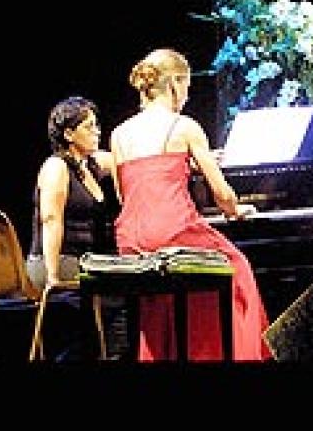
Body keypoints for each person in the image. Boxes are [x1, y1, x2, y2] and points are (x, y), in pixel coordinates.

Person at [109, 47, 271, 361]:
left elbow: (123, 194)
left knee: (171, 287)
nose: (187, 95)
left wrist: (181, 168)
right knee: (237, 269)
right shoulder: (184, 126)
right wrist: (235, 210)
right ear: (174, 84)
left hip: (131, 240)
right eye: (186, 85)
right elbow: (223, 195)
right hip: (172, 232)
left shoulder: (118, 135)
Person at [27, 96, 118, 361]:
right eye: (89, 126)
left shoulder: (90, 165)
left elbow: (124, 157)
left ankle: (106, 353)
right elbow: (50, 219)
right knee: (118, 291)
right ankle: (108, 354)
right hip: (56, 260)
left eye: (97, 125)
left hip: (81, 260)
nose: (97, 131)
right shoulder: (56, 167)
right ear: (68, 134)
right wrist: (53, 273)